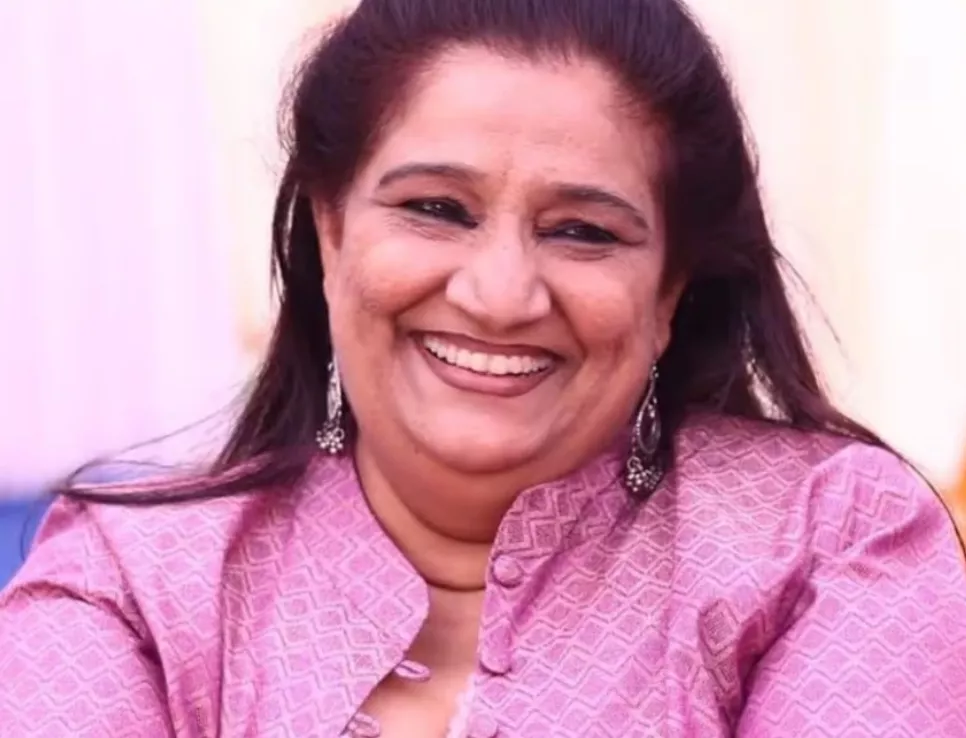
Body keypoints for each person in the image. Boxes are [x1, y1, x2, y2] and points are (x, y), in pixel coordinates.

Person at [2, 0, 965, 735]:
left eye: (583, 231)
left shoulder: (828, 546)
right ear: (330, 232)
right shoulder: (131, 585)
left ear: (670, 288)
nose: (500, 295)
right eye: (435, 209)